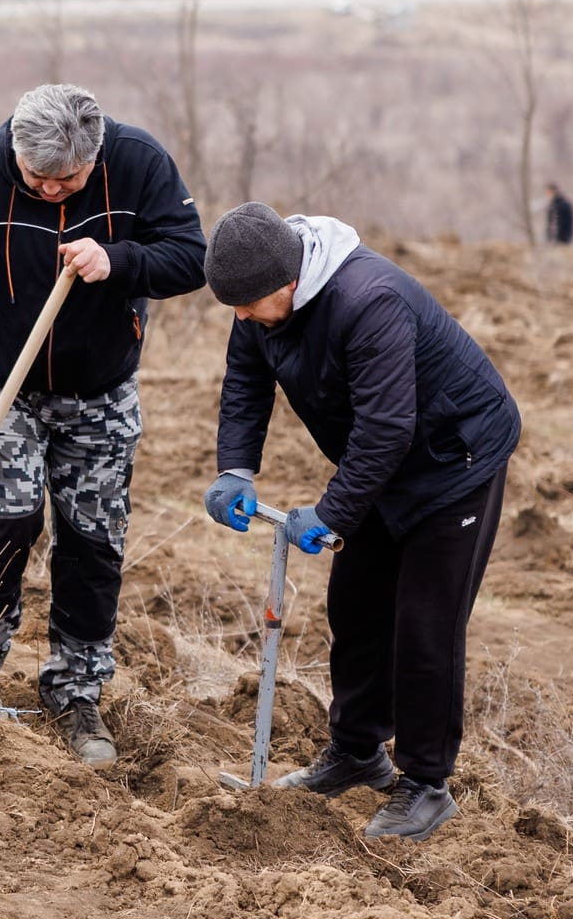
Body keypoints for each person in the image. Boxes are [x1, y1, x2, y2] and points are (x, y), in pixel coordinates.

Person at [0, 83, 206, 764]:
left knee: (93, 537)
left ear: (95, 157)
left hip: (101, 390)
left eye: (67, 180)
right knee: (8, 518)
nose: (50, 190)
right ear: (16, 147)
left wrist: (119, 260)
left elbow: (192, 257)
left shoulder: (139, 164)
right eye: (37, 177)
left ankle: (76, 689)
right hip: (2, 382)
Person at [202, 201, 520, 841]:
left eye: (249, 305)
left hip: (454, 461)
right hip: (381, 463)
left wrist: (332, 512)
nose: (241, 318)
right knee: (355, 605)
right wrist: (235, 468)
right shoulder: (259, 302)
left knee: (425, 626)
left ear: (289, 282)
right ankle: (356, 752)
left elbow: (387, 427)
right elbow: (246, 382)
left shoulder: (367, 300)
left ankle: (426, 784)